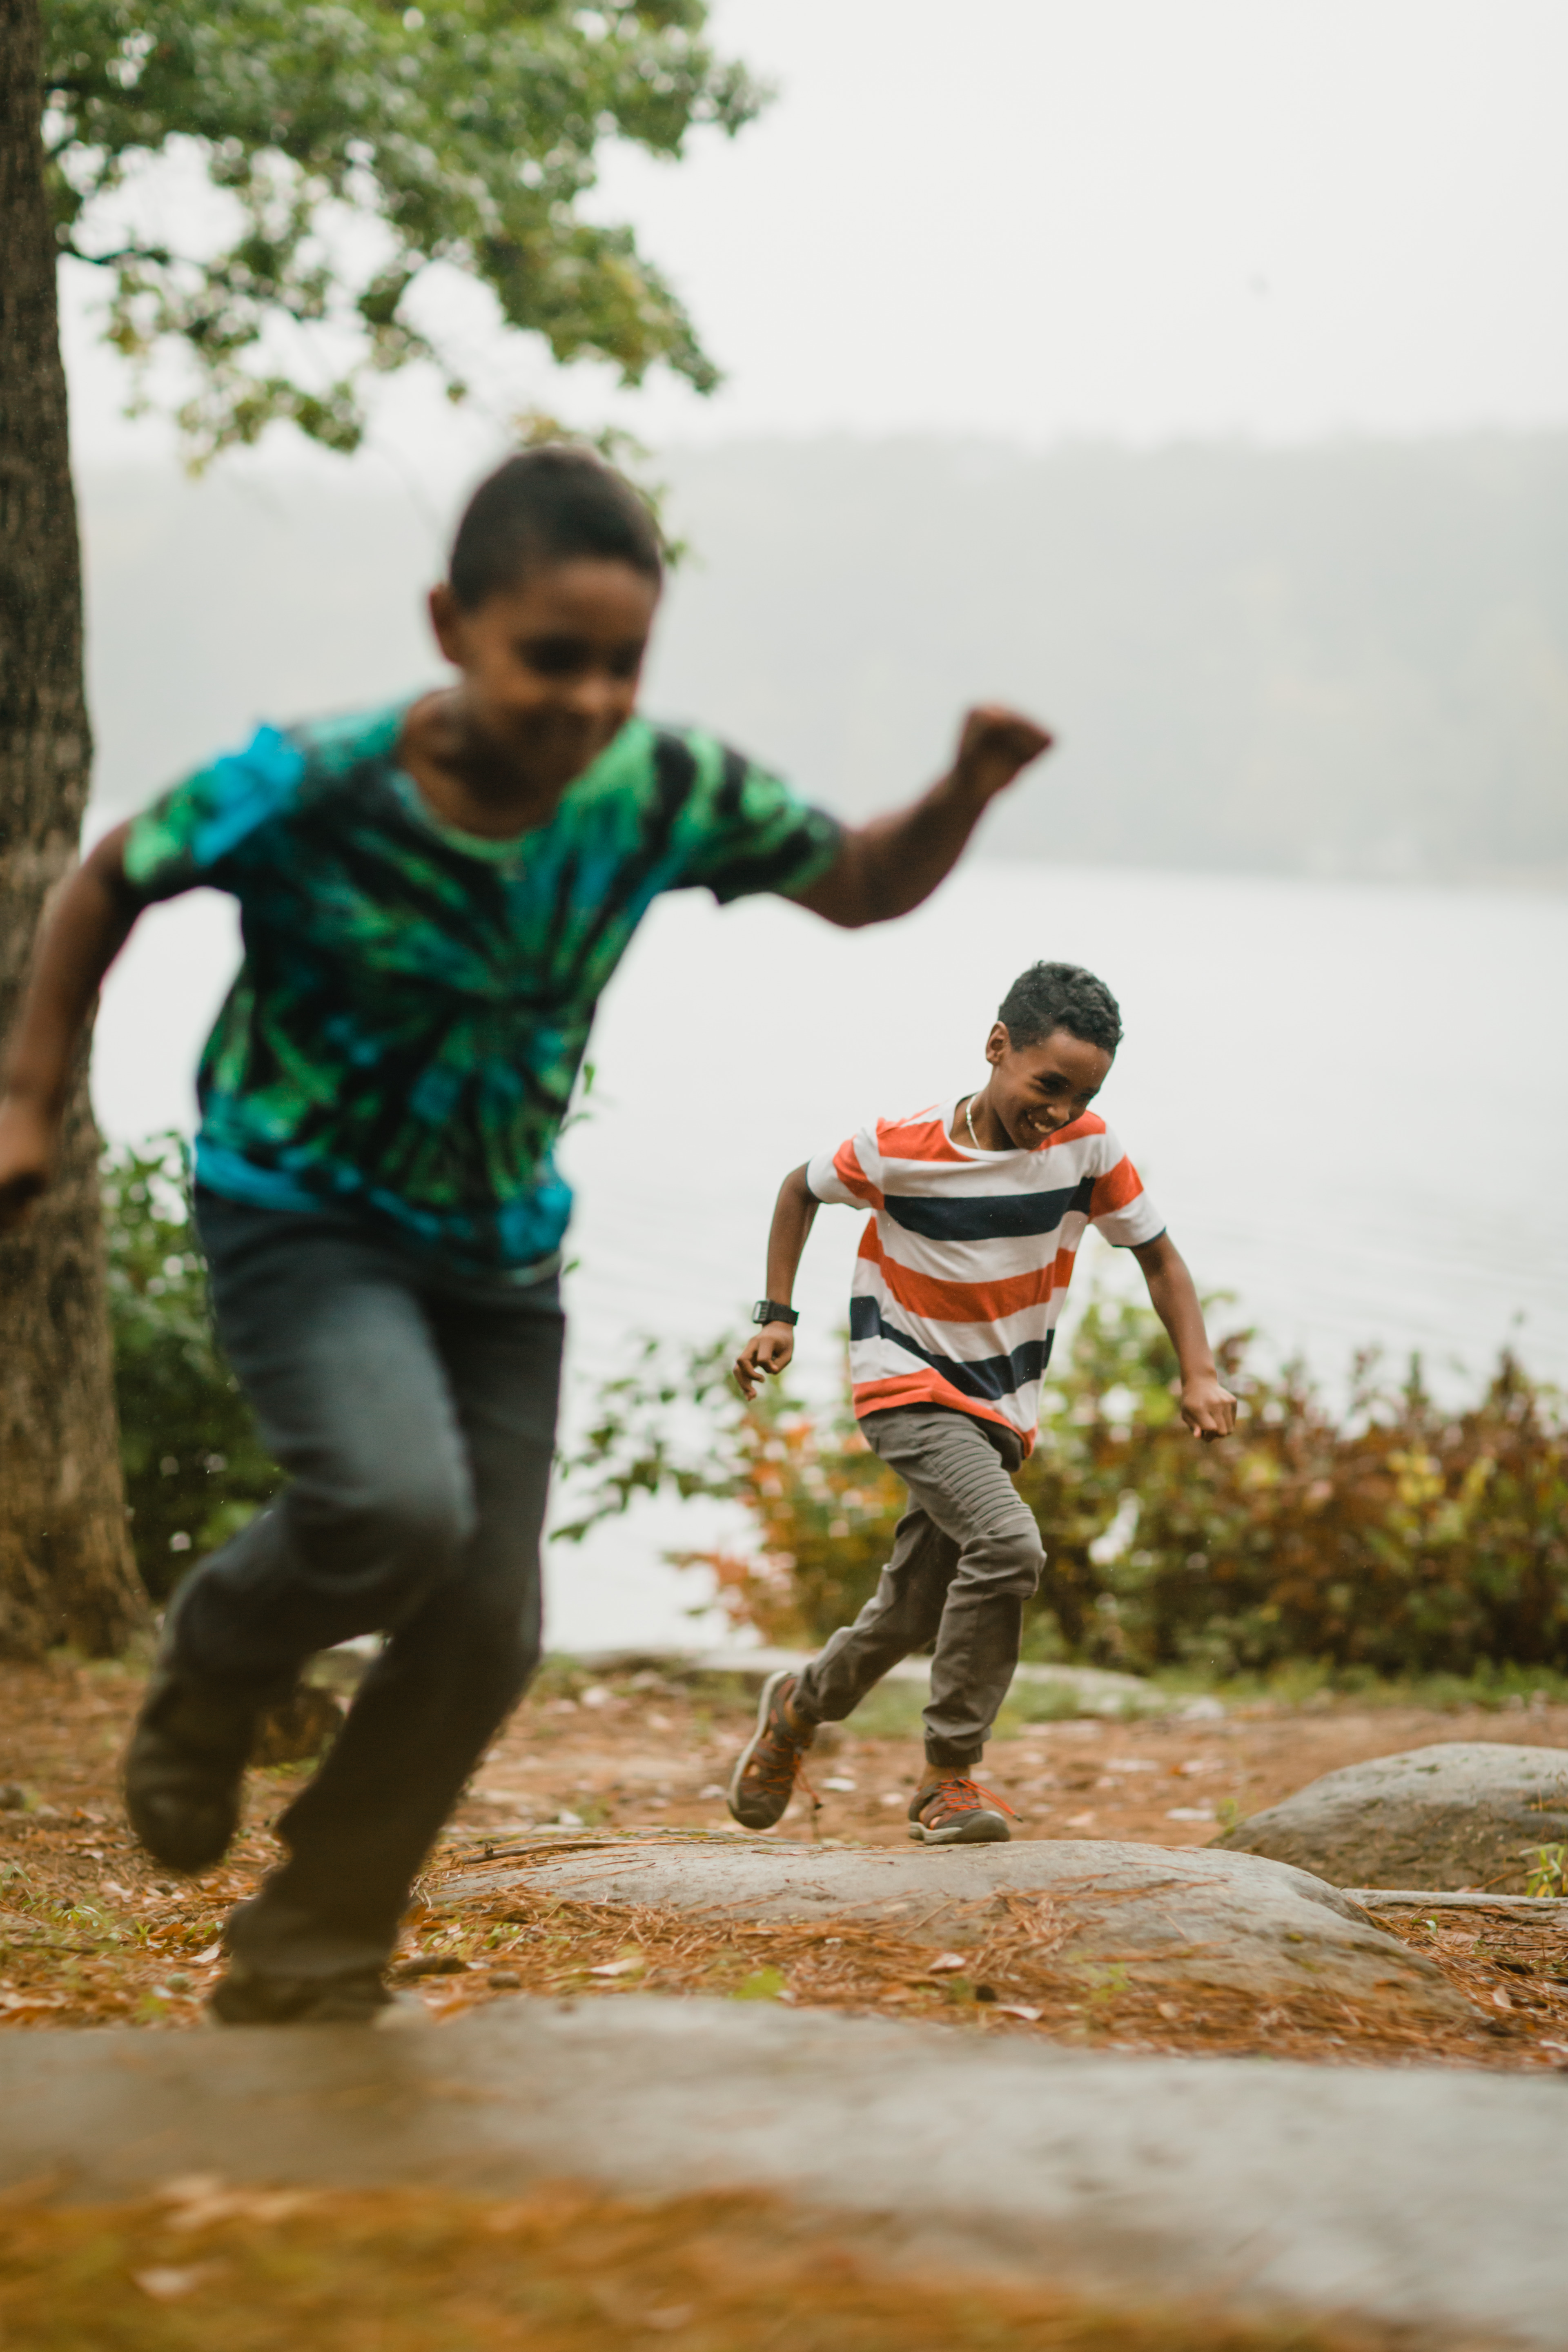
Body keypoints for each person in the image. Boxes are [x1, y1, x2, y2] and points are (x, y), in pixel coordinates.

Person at [0, 446, 1051, 2023]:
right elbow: (110, 879)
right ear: (451, 624)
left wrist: (963, 791)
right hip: (303, 1216)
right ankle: (218, 1645)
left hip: (496, 1252)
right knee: (396, 1512)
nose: (585, 699)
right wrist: (27, 1103)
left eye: (621, 665)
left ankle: (312, 1942)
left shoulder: (654, 787)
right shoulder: (318, 775)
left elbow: (856, 880)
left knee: (490, 1625)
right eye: (550, 658)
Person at [727, 958, 1236, 1846]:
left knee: (911, 1613)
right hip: (905, 1385)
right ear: (997, 1046)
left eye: (1083, 1093)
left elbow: (1159, 1257)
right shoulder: (901, 1148)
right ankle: (949, 1779)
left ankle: (797, 1709)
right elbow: (796, 1191)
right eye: (1048, 1084)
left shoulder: (1092, 1150)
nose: (1062, 1111)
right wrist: (778, 1316)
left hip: (1000, 1406)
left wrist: (1197, 1371)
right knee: (1007, 1545)